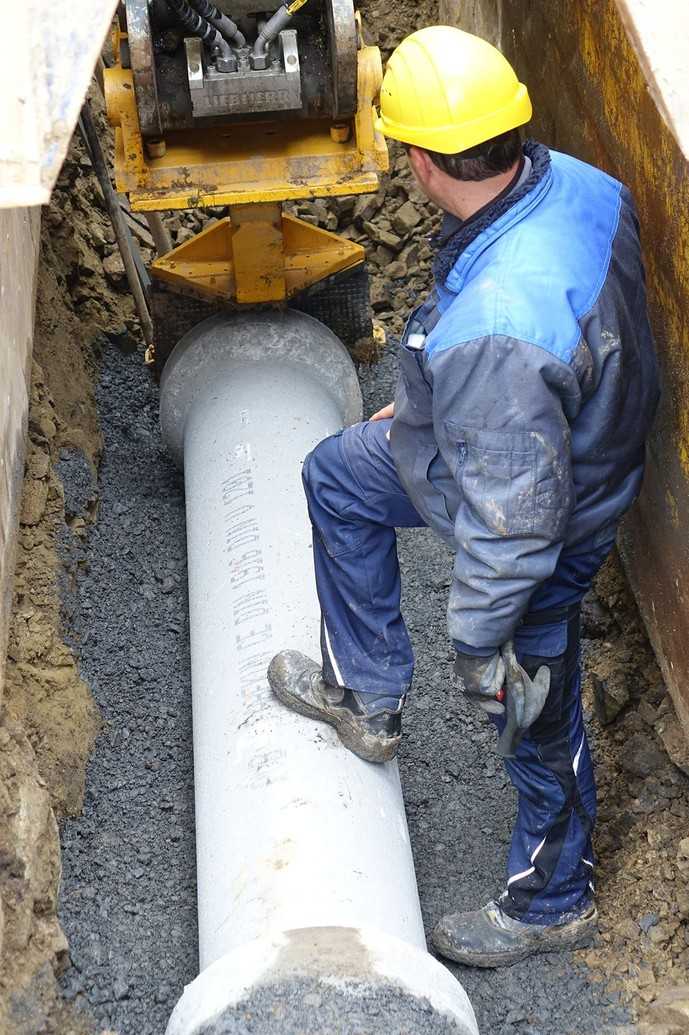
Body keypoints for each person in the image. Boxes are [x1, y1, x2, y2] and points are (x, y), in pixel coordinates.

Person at [267, 25, 659, 967]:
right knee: (338, 475)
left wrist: (478, 645)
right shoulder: (574, 181)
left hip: (556, 504)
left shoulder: (497, 333)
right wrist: (445, 393)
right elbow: (518, 329)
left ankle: (551, 899)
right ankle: (367, 694)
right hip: (528, 424)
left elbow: (514, 532)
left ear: (417, 160)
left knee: (529, 699)